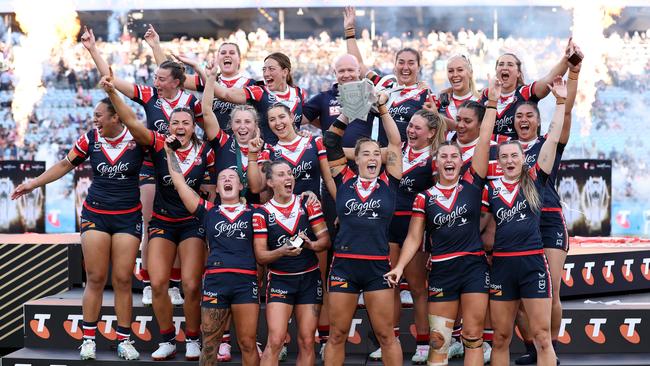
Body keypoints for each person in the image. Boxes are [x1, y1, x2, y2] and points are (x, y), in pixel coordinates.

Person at [12, 98, 146, 361]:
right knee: (95, 278)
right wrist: (33, 183)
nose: (94, 119)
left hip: (128, 217)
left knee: (122, 280)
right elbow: (64, 165)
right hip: (96, 214)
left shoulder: (137, 138)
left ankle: (124, 340)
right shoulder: (90, 139)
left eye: (99, 115)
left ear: (116, 117)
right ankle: (88, 340)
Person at [81, 26, 201, 307]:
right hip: (151, 164)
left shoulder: (191, 103)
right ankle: (149, 281)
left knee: (184, 223)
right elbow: (112, 80)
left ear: (176, 82)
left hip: (185, 166)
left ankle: (174, 282)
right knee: (152, 222)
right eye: (156, 78)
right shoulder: (149, 95)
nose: (155, 81)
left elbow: (206, 116)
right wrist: (93, 50)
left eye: (161, 78)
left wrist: (157, 46)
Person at [385, 76, 500, 366]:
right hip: (442, 270)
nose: (449, 160)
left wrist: (493, 105)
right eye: (443, 156)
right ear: (436, 164)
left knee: (473, 337)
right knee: (439, 342)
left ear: (462, 162)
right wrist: (399, 267)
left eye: (454, 156)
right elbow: (413, 238)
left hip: (473, 267)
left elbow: (484, 139)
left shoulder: (473, 184)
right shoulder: (425, 197)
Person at [101, 74, 215, 361]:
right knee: (159, 283)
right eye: (175, 122)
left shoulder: (205, 152)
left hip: (192, 224)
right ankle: (167, 339)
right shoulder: (158, 143)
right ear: (169, 126)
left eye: (185, 123)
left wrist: (209, 220)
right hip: (163, 222)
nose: (179, 127)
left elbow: (212, 191)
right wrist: (114, 93)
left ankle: (192, 338)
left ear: (193, 127)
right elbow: (132, 122)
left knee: (190, 284)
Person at [483, 77, 568, 366]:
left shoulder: (536, 181)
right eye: (504, 156)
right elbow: (477, 224)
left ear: (524, 159)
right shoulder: (490, 189)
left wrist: (559, 102)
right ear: (499, 161)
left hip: (533, 265)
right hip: (503, 267)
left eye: (514, 156)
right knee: (501, 339)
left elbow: (554, 137)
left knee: (543, 337)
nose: (509, 160)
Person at [513, 43, 582, 366]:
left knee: (550, 291)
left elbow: (565, 111)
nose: (524, 119)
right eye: (519, 116)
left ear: (539, 122)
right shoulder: (506, 150)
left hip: (549, 219)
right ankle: (533, 347)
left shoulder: (549, 141)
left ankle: (550, 351)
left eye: (529, 115)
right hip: (517, 223)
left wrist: (574, 71)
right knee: (525, 297)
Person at [322, 91, 403, 366]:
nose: (371, 157)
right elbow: (331, 140)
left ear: (381, 159)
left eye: (375, 154)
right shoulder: (343, 178)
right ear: (355, 160)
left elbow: (395, 142)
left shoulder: (390, 182)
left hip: (377, 267)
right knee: (337, 334)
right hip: (344, 265)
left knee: (386, 335)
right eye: (365, 154)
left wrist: (381, 108)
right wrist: (349, 110)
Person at [165, 138, 260, 366]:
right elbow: (179, 183)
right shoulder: (208, 211)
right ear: (217, 188)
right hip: (216, 283)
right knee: (209, 345)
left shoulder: (256, 212)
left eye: (232, 178)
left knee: (248, 343)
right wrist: (170, 153)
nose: (227, 179)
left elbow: (282, 196)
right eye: (222, 178)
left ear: (240, 186)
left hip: (246, 283)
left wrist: (309, 196)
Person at [383, 109, 446, 364]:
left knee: (419, 288)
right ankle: (390, 340)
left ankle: (423, 343)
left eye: (418, 128)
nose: (411, 130)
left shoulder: (434, 159)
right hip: (389, 225)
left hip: (415, 227)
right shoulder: (395, 151)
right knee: (391, 286)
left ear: (431, 133)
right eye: (410, 125)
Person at [252, 160, 331, 365]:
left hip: (309, 280)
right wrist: (281, 251)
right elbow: (261, 256)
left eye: (289, 173)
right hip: (280, 281)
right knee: (276, 340)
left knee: (306, 341)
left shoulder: (308, 204)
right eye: (281, 175)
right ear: (269, 182)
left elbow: (325, 241)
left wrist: (310, 245)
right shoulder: (261, 213)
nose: (288, 178)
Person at [344, 6, 434, 144]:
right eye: (401, 62)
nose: (405, 67)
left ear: (418, 67)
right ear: (395, 66)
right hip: (384, 158)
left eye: (411, 63)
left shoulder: (425, 94)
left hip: (411, 161)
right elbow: (359, 66)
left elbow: (437, 128)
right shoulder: (385, 84)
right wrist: (349, 31)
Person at [144, 24, 257, 131]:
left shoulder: (251, 85)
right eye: (223, 53)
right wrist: (156, 46)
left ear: (240, 59)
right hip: (214, 143)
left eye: (232, 53)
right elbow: (169, 76)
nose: (227, 55)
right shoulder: (206, 80)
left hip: (242, 142)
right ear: (217, 59)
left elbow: (225, 95)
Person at [207, 52, 307, 145]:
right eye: (264, 69)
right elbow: (225, 94)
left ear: (285, 72)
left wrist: (303, 133)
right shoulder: (259, 91)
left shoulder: (299, 93)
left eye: (271, 69)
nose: (266, 74)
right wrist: (209, 76)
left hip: (296, 152)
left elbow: (307, 119)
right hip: (269, 156)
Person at [478, 41, 571, 139]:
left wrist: (566, 60)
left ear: (518, 73)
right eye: (501, 64)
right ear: (496, 70)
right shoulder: (486, 94)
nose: (504, 67)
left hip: (523, 153)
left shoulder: (525, 92)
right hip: (491, 153)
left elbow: (550, 78)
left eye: (510, 64)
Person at [247, 103, 336, 201]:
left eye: (282, 117)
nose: (277, 123)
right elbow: (256, 188)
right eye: (272, 119)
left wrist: (340, 209)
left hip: (314, 211)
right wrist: (252, 154)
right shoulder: (268, 153)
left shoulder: (315, 142)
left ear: (291, 117)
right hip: (284, 214)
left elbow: (329, 181)